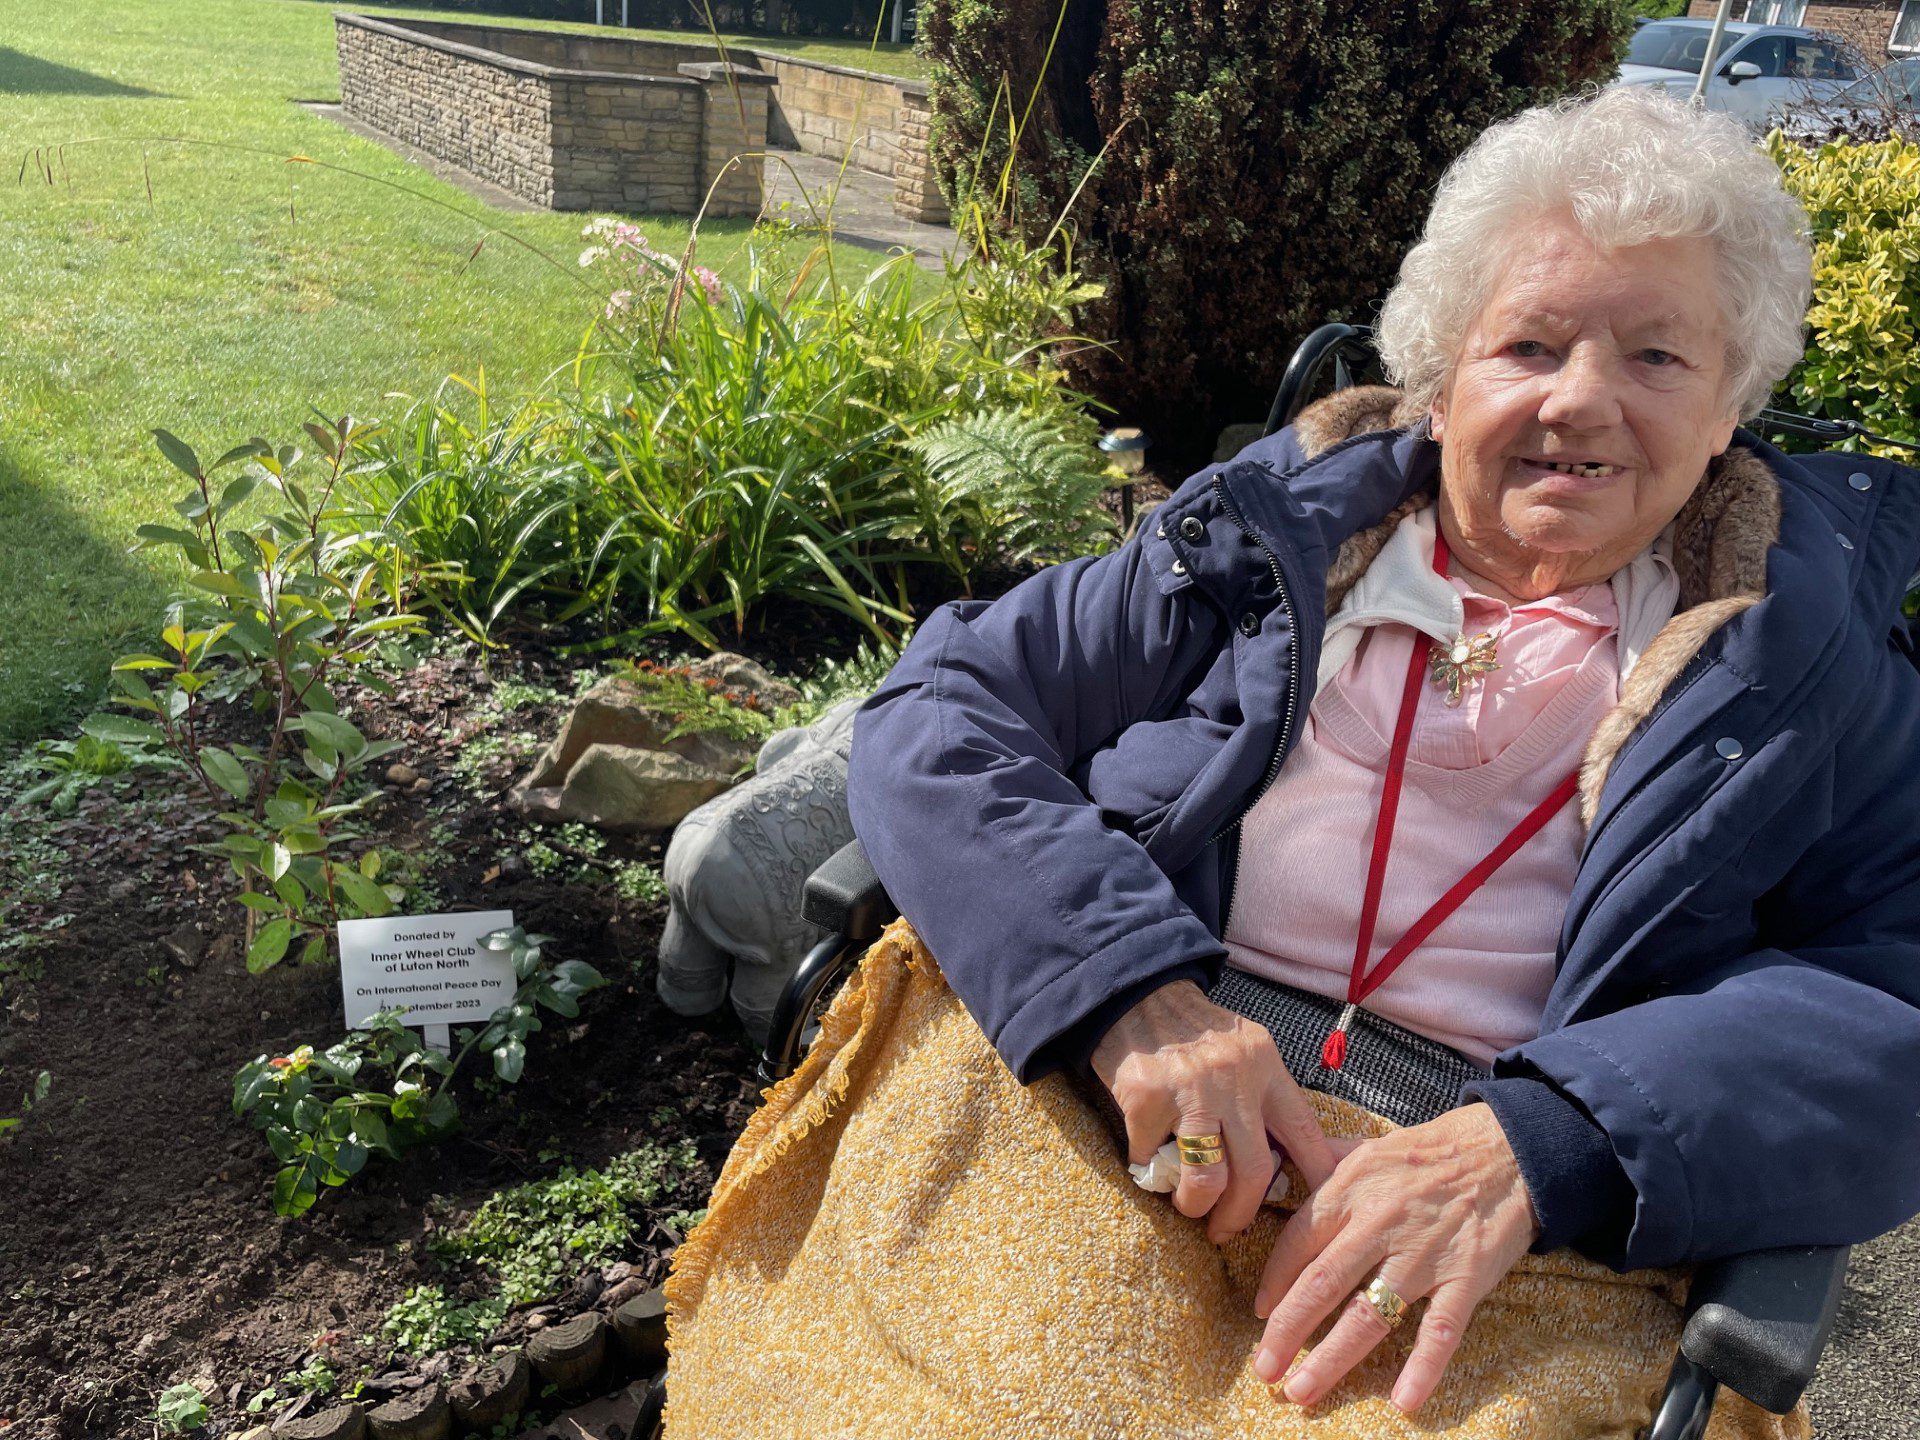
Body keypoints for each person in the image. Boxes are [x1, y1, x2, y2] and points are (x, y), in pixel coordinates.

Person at [662, 86, 1920, 1439]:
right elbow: (947, 702)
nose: (1582, 399)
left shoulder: (1808, 663)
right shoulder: (1260, 549)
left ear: (1732, 405)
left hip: (1498, 1206)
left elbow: (1891, 989)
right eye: (1531, 342)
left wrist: (1551, 1144)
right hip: (1124, 1086)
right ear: (1441, 382)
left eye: (1659, 359)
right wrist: (1129, 991)